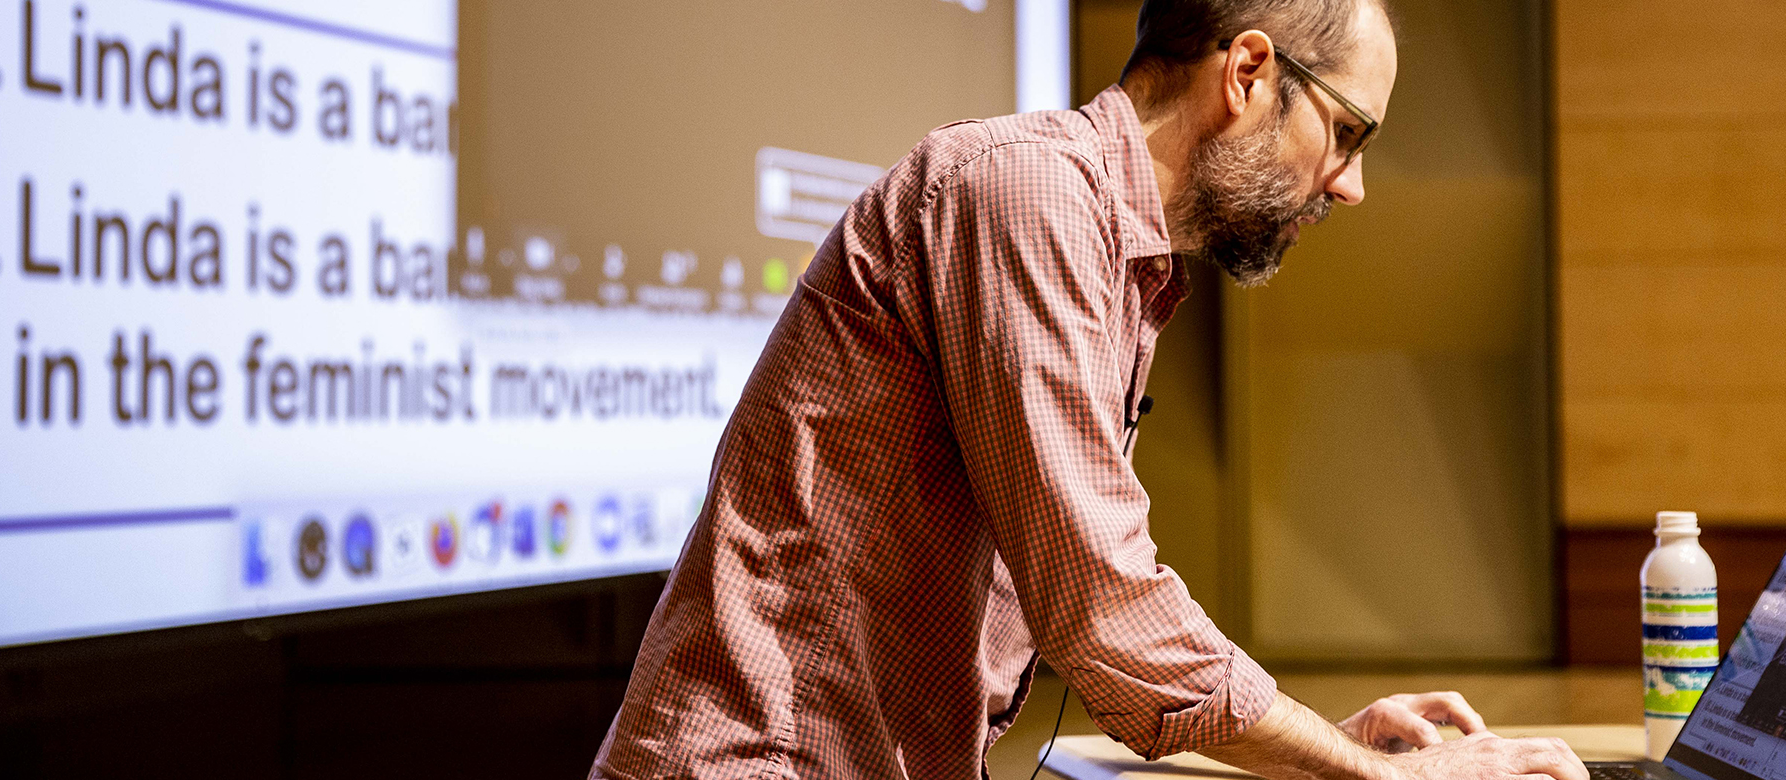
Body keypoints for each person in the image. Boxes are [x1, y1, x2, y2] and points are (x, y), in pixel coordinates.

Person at [592, 1, 1589, 778]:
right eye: (1349, 131)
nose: (1350, 185)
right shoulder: (1026, 195)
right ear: (1247, 72)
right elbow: (1103, 608)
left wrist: (1316, 747)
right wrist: (1364, 771)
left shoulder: (1117, 254)